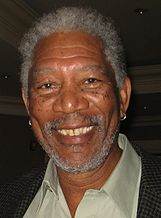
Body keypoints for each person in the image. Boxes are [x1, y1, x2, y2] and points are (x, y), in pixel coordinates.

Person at [0, 6, 161, 218]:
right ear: (28, 103)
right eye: (47, 85)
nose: (69, 104)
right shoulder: (6, 201)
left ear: (122, 96)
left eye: (90, 80)